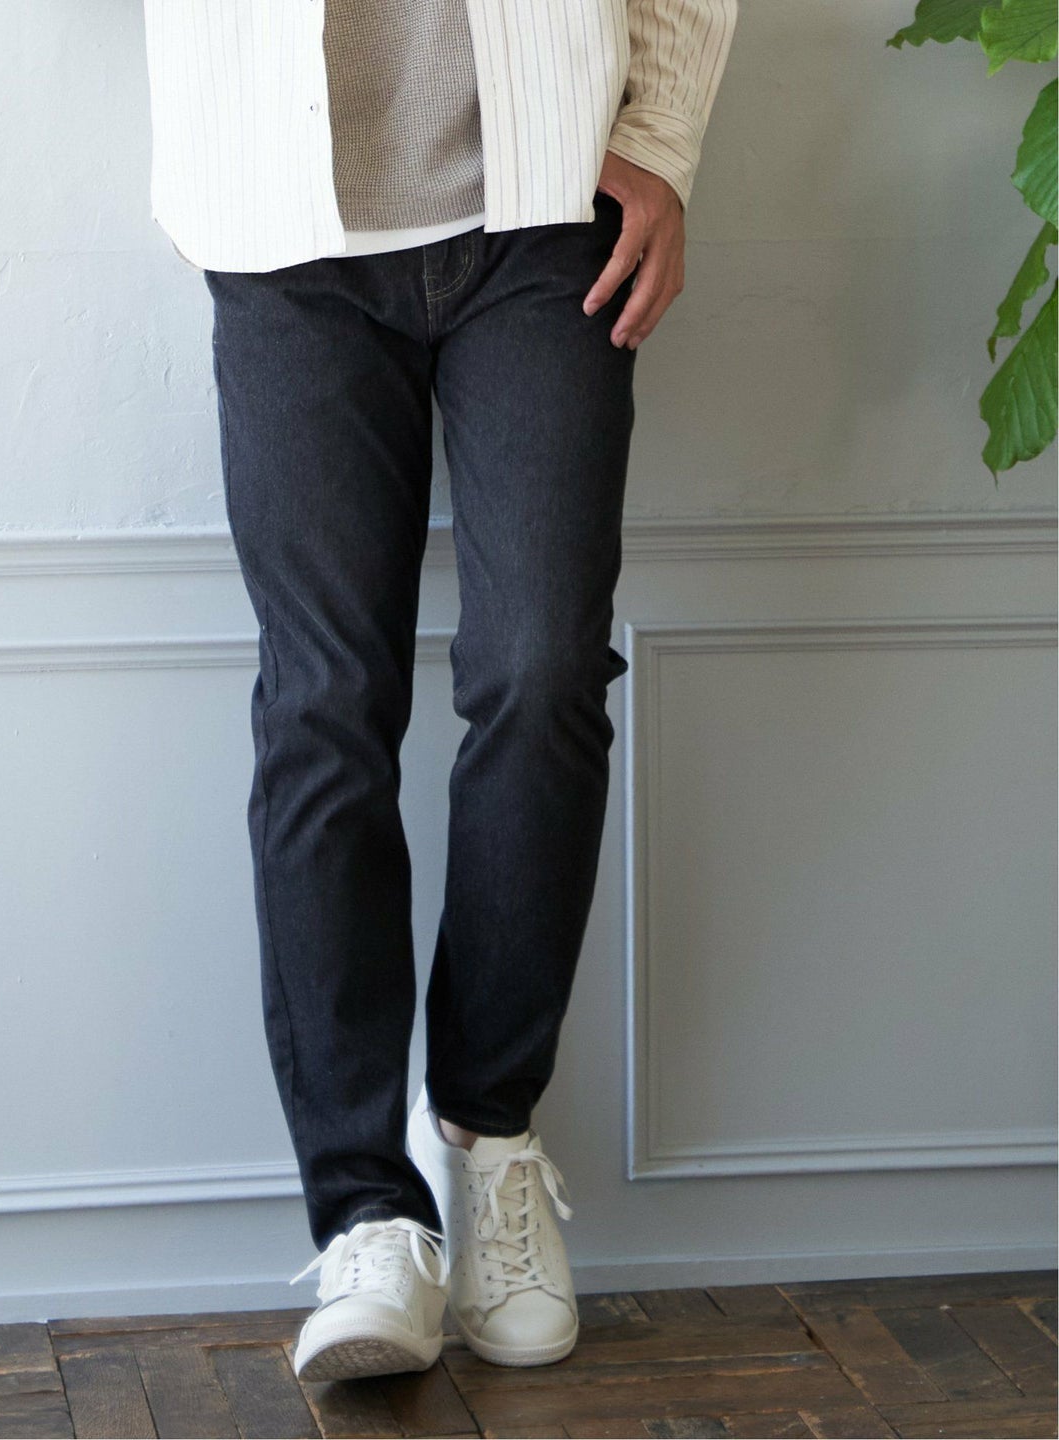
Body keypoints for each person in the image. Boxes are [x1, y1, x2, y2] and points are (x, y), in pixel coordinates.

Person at [141, 0, 737, 1383]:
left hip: (546, 201)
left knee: (542, 668)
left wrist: (659, 137)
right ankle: (366, 1217)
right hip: (280, 219)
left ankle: (486, 1129)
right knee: (324, 704)